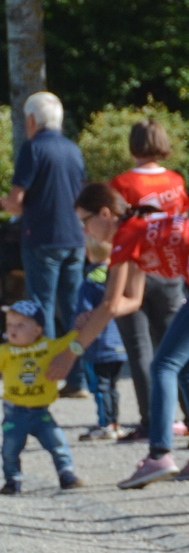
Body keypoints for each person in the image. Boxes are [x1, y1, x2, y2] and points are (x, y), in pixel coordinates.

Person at [73, 183, 189, 487]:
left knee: (163, 366)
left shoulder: (126, 236)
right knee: (186, 368)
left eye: (85, 221)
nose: (85, 230)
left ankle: (159, 455)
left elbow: (108, 303)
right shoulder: (138, 229)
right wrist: (98, 316)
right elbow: (131, 301)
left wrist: (71, 352)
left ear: (105, 214)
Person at [2, 92, 87, 395]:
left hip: (42, 238)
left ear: (31, 120)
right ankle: (78, 379)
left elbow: (16, 202)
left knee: (42, 310)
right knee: (74, 310)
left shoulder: (33, 148)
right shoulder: (74, 150)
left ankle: (47, 378)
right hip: (75, 238)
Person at [110, 120, 189, 438]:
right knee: (174, 347)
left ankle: (152, 421)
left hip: (133, 270)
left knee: (139, 348)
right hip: (169, 269)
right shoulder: (176, 180)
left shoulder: (121, 183)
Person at [1, 297, 84, 491]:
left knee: (56, 442)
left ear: (37, 330)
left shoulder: (48, 346)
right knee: (9, 449)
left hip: (41, 412)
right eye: (10, 324)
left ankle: (66, 473)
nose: (13, 329)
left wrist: (80, 329)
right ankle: (12, 480)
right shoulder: (5, 351)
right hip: (15, 412)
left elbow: (69, 341)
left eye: (21, 325)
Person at [75, 257, 128, 439]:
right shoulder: (118, 275)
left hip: (98, 345)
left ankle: (105, 424)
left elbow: (85, 314)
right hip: (119, 343)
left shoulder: (91, 281)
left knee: (100, 387)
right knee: (112, 387)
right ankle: (115, 423)